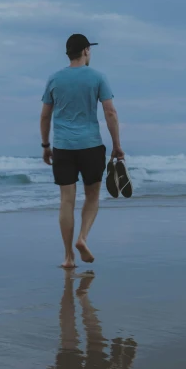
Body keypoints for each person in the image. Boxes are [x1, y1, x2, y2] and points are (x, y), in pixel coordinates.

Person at [40, 34, 124, 268]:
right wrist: (117, 145)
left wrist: (46, 145)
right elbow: (110, 113)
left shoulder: (54, 78)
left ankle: (68, 257)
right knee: (92, 196)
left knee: (66, 201)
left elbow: (45, 115)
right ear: (86, 50)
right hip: (91, 146)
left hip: (63, 147)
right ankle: (82, 238)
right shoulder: (98, 77)